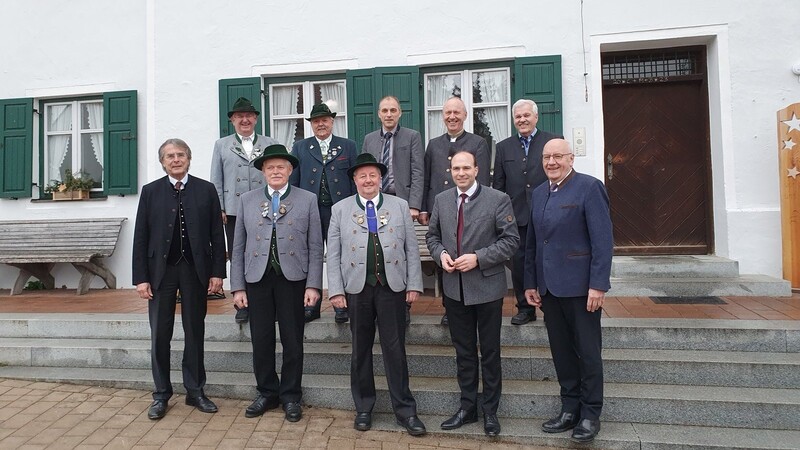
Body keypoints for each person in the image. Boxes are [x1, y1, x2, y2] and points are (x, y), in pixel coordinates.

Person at [327, 153, 427, 437]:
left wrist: (413, 284)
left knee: (395, 350)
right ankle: (363, 408)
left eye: (373, 175)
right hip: (357, 289)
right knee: (360, 350)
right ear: (355, 180)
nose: (368, 180)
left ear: (380, 178)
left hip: (392, 287)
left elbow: (411, 250)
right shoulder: (340, 210)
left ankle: (406, 410)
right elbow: (332, 255)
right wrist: (335, 290)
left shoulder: (399, 205)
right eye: (362, 176)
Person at [524, 139, 613, 444]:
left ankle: (590, 414)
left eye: (557, 156)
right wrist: (530, 282)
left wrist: (598, 285)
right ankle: (569, 408)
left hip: (581, 288)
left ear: (571, 158)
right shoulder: (538, 193)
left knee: (588, 352)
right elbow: (533, 244)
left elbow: (603, 241)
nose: (551, 162)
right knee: (561, 352)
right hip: (549, 289)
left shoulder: (589, 187)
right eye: (547, 157)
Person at [425, 150, 518, 437]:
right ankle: (467, 407)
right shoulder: (442, 200)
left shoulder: (497, 199)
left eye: (466, 167)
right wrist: (440, 254)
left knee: (489, 352)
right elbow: (432, 235)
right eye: (456, 168)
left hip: (487, 287)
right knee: (463, 351)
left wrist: (479, 257)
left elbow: (511, 241)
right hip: (455, 290)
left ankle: (490, 411)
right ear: (450, 171)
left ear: (478, 170)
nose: (461, 173)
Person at [132, 138, 226, 420]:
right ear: (162, 161)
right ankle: (161, 394)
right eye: (170, 156)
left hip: (195, 270)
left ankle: (195, 391)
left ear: (189, 158)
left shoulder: (206, 190)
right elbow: (141, 237)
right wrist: (141, 278)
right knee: (160, 334)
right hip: (161, 271)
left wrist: (217, 272)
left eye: (180, 155)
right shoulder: (150, 192)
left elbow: (215, 236)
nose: (175, 159)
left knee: (194, 331)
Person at [229, 144, 322, 423]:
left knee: (293, 340)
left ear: (290, 170)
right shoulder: (247, 199)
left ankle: (291, 395)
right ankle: (267, 392)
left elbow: (316, 246)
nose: (276, 171)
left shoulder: (307, 199)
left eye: (281, 166)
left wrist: (314, 285)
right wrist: (238, 287)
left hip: (293, 278)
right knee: (261, 339)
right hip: (257, 278)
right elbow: (237, 247)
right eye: (270, 167)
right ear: (262, 171)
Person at [419, 96, 491, 325]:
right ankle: (449, 309)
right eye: (448, 113)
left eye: (456, 113)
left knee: (468, 251)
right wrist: (424, 208)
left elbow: (485, 182)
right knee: (445, 253)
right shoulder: (434, 143)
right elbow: (427, 177)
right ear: (443, 116)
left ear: (465, 115)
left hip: (471, 209)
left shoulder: (478, 142)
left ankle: (474, 302)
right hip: (441, 208)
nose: (452, 117)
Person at [210, 97, 279, 324]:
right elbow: (216, 179)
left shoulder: (270, 143)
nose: (245, 120)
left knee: (265, 252)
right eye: (239, 116)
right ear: (232, 120)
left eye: (249, 116)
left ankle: (266, 300)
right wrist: (219, 206)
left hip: (265, 208)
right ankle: (241, 302)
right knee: (238, 254)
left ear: (256, 119)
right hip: (233, 210)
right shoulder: (222, 145)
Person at [492, 99, 561, 325]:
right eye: (518, 117)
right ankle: (525, 308)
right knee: (521, 264)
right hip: (517, 215)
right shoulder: (503, 147)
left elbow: (562, 177)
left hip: (548, 213)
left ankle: (552, 307)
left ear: (536, 117)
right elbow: (499, 186)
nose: (522, 120)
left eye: (526, 115)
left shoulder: (552, 141)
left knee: (549, 260)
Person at [290, 102, 358, 324]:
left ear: (332, 121)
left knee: (342, 255)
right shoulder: (300, 147)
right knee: (312, 256)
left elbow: (354, 180)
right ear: (311, 124)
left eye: (325, 120)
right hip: (310, 211)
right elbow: (294, 182)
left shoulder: (347, 146)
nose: (321, 124)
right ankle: (313, 304)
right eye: (316, 121)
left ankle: (342, 304)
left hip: (340, 210)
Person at [361, 95, 424, 324]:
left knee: (402, 252)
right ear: (379, 114)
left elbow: (418, 172)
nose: (389, 114)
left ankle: (403, 304)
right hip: (376, 203)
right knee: (382, 251)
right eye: (385, 110)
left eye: (393, 110)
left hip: (402, 202)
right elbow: (364, 171)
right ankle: (381, 301)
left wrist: (414, 205)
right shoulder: (369, 139)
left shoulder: (412, 137)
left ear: (400, 113)